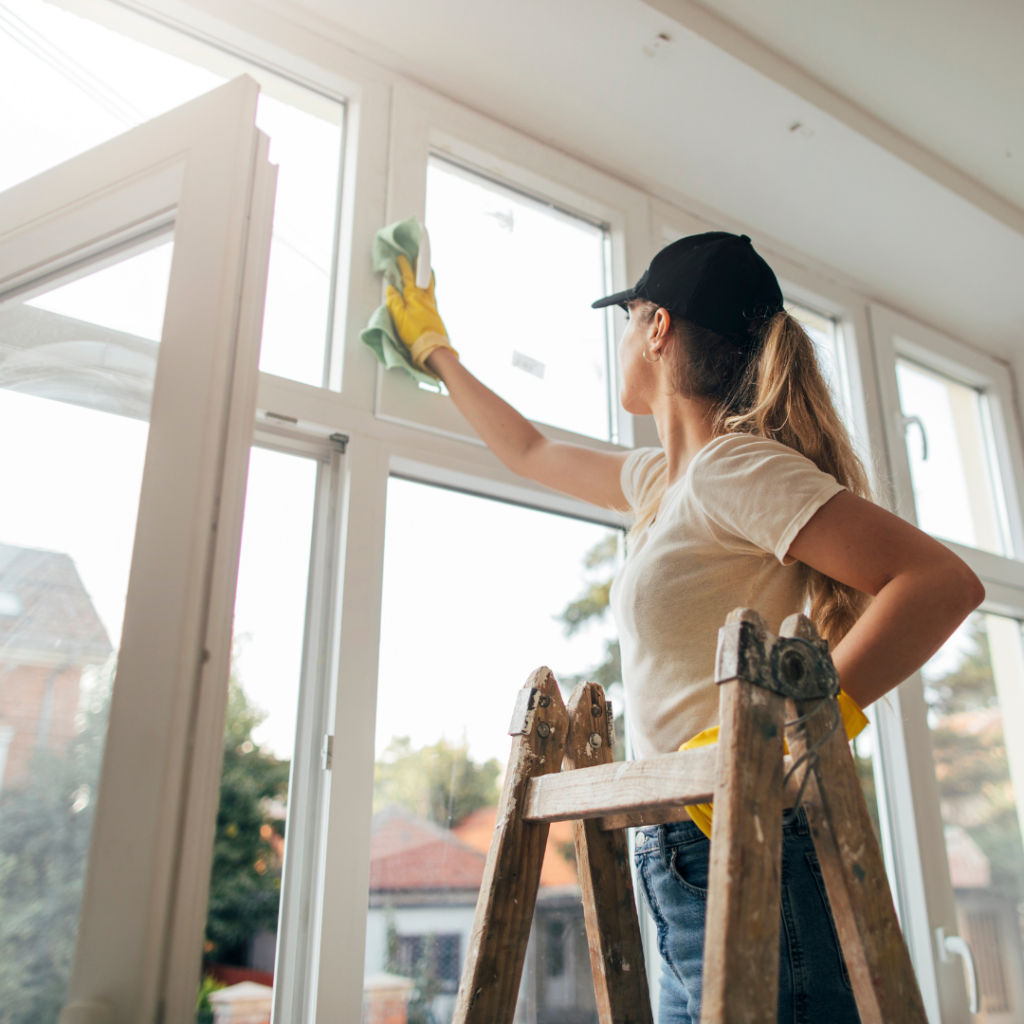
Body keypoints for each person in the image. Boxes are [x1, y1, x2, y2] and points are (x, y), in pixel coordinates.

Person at [385, 231, 984, 1024]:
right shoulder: (661, 483)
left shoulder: (738, 468)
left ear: (658, 327)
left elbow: (941, 583)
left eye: (629, 318)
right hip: (678, 854)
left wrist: (795, 732)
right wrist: (435, 349)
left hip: (750, 845)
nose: (624, 338)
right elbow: (528, 449)